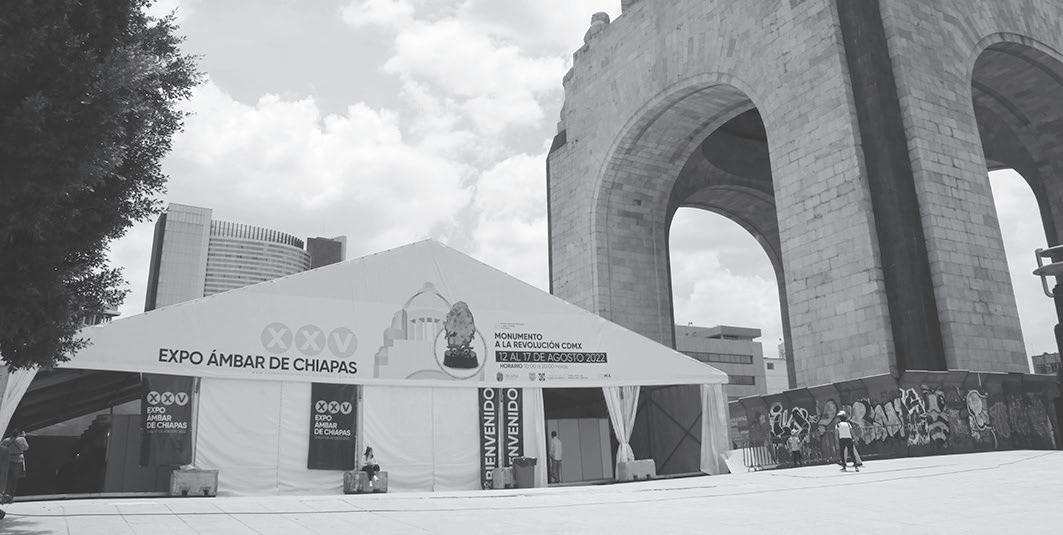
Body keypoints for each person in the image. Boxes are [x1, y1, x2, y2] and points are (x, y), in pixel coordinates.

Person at [1, 429, 29, 503]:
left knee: (6, 479)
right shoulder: (22, 439)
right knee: (14, 479)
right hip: (18, 460)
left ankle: (4, 495)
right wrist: (24, 437)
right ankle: (11, 497)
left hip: (7, 460)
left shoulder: (6, 440)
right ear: (18, 434)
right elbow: (26, 448)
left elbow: (1, 448)